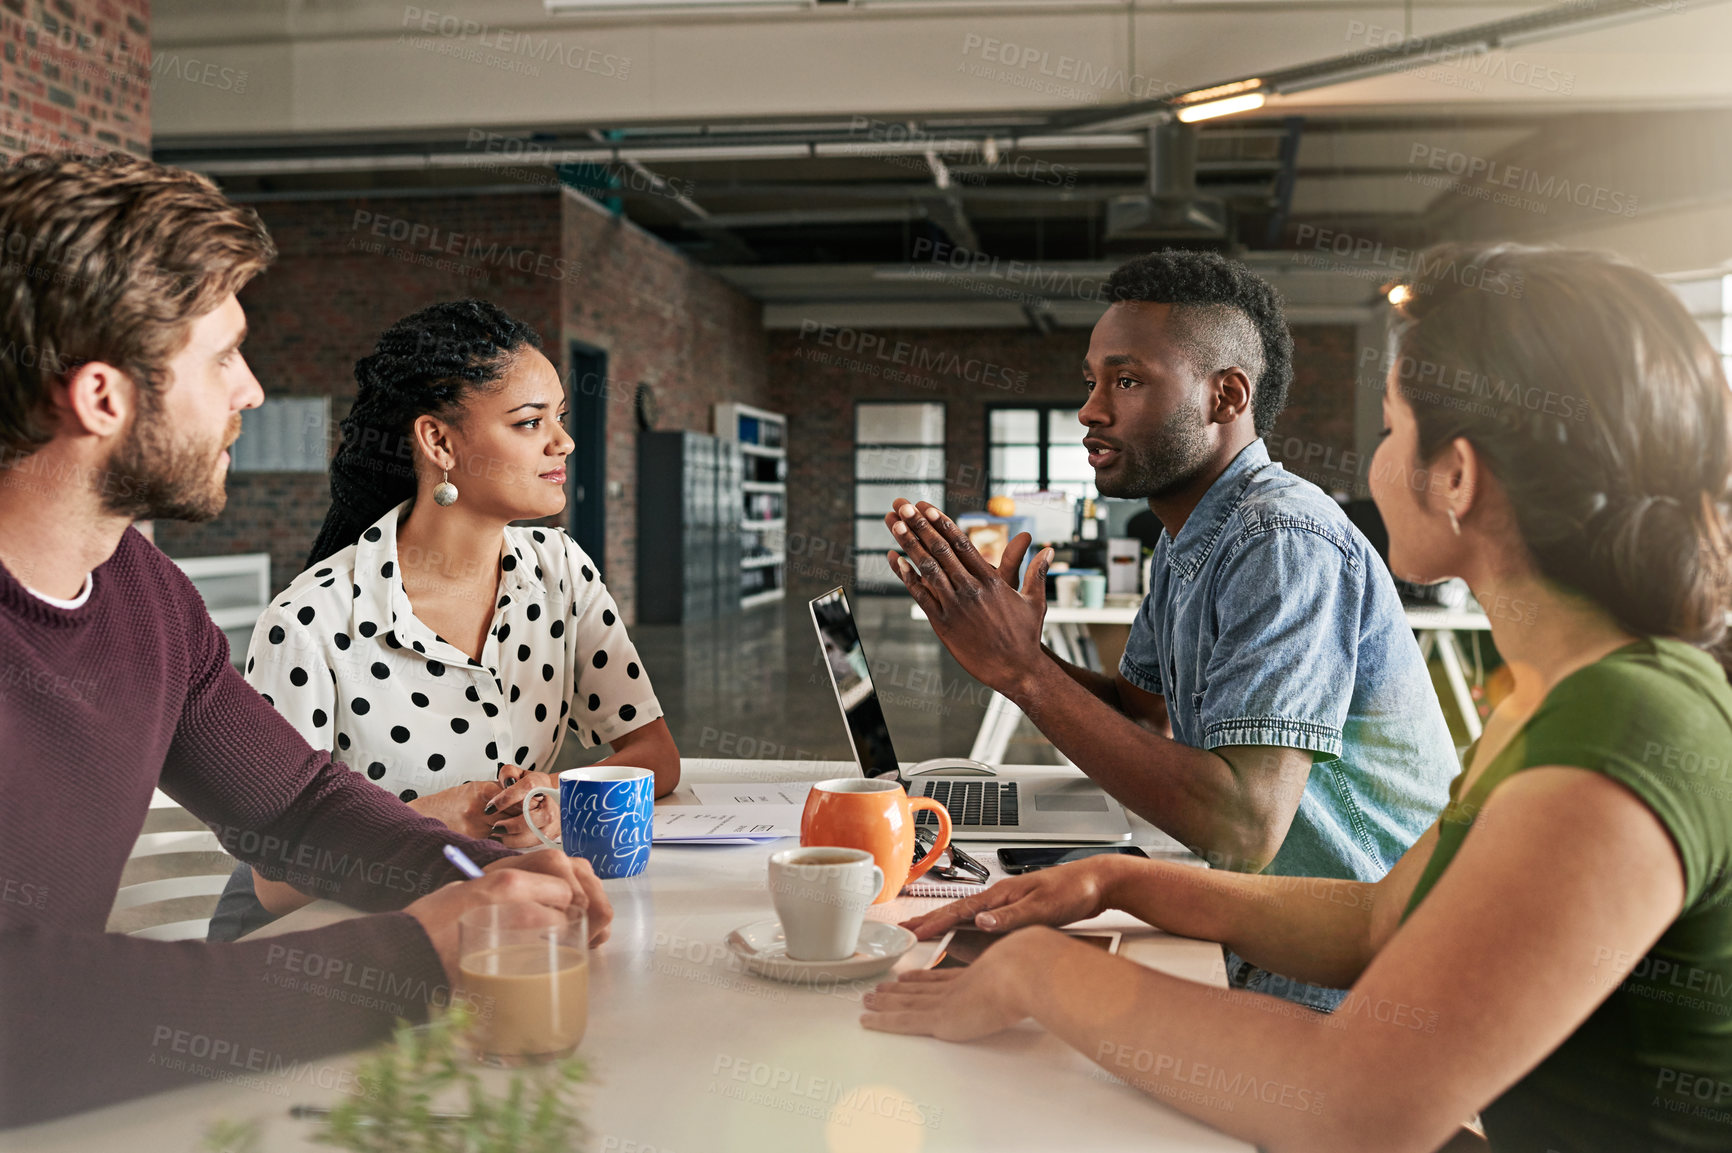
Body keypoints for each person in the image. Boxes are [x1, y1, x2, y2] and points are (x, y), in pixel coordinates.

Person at [863, 243, 1732, 1153]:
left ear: (1460, 476)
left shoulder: (1626, 723)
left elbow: (1355, 1106)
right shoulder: (1554, 703)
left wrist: (1037, 972)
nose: (1378, 461)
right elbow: (1379, 916)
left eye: (1392, 430)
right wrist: (1113, 879)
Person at [0, 152, 610, 1128]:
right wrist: (418, 955)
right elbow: (17, 1012)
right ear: (103, 397)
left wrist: (475, 876)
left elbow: (291, 800)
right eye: (222, 357)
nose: (250, 391)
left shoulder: (142, 589)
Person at [885, 250, 1457, 1009]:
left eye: (1126, 381)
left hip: (1347, 979)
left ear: (1225, 396)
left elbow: (1244, 825)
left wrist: (1027, 672)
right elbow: (1142, 713)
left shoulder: (1279, 538)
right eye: (1090, 381)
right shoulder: (1189, 536)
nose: (1091, 409)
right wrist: (1008, 653)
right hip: (1257, 938)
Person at [208, 300, 679, 941]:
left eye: (560, 418)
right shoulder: (309, 623)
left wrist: (556, 792)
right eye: (529, 422)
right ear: (439, 441)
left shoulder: (562, 570)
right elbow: (275, 884)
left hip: (494, 912)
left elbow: (652, 753)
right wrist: (433, 823)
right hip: (321, 941)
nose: (563, 441)